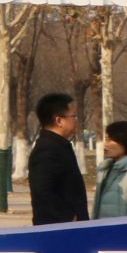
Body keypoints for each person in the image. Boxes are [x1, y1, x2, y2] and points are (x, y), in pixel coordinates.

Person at [28, 93, 89, 226]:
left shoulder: (59, 145)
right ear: (59, 121)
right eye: (73, 116)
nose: (76, 121)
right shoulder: (47, 150)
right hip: (58, 229)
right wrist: (67, 219)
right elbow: (43, 191)